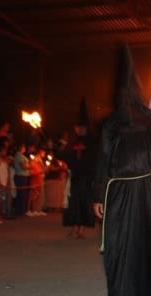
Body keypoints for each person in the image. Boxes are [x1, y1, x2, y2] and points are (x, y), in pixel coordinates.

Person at [93, 45, 151, 296]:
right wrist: (98, 195)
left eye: (129, 91)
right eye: (122, 92)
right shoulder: (111, 124)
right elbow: (102, 160)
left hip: (147, 190)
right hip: (119, 191)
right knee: (118, 242)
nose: (125, 96)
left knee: (149, 241)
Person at [63, 98, 96, 238]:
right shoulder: (73, 141)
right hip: (75, 177)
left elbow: (94, 159)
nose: (80, 129)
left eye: (82, 127)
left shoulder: (91, 142)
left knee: (83, 203)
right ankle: (74, 227)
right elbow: (67, 156)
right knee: (73, 203)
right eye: (78, 127)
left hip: (86, 178)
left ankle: (81, 229)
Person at [0, 143, 12, 219]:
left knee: (2, 199)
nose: (5, 152)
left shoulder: (5, 160)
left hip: (4, 182)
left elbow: (7, 171)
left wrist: (7, 181)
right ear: (0, 151)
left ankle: (0, 215)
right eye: (4, 151)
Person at [27, 148, 47, 217]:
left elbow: (43, 169)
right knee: (33, 195)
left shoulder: (40, 160)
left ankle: (37, 210)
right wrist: (41, 171)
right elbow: (33, 171)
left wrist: (44, 170)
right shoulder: (34, 160)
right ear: (40, 152)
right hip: (35, 179)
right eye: (43, 152)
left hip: (39, 179)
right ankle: (30, 210)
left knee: (38, 195)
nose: (44, 154)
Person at [13, 143, 30, 216]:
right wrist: (30, 166)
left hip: (24, 176)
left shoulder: (22, 156)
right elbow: (23, 167)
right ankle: (20, 211)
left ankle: (22, 210)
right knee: (21, 194)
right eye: (23, 147)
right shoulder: (18, 156)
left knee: (23, 194)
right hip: (21, 177)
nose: (25, 148)